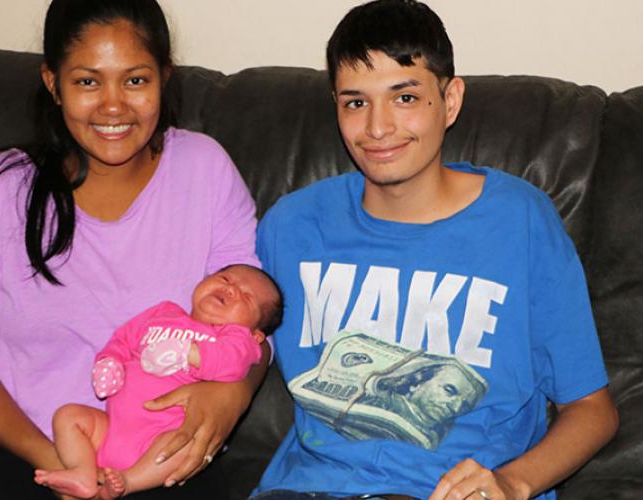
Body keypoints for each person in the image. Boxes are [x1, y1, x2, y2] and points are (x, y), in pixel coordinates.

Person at [251, 1, 619, 499]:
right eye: (355, 102)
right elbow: (221, 347)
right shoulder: (290, 227)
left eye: (404, 97)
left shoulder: (520, 221)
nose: (378, 128)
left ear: (450, 101)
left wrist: (512, 484)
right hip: (309, 489)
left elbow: (592, 410)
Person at [0, 1, 269, 499]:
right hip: (23, 452)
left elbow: (252, 311)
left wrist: (233, 395)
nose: (113, 106)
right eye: (87, 81)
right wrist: (55, 460)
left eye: (135, 80)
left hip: (164, 455)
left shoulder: (204, 169)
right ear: (52, 82)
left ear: (164, 79)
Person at [35, 264, 283, 499]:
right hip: (112, 430)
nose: (230, 289)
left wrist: (189, 353)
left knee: (187, 445)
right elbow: (124, 337)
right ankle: (82, 472)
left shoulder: (238, 340)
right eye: (225, 278)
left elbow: (233, 362)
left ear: (256, 335)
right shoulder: (163, 313)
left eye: (246, 297)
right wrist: (110, 360)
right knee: (68, 416)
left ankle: (128, 482)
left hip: (161, 439)